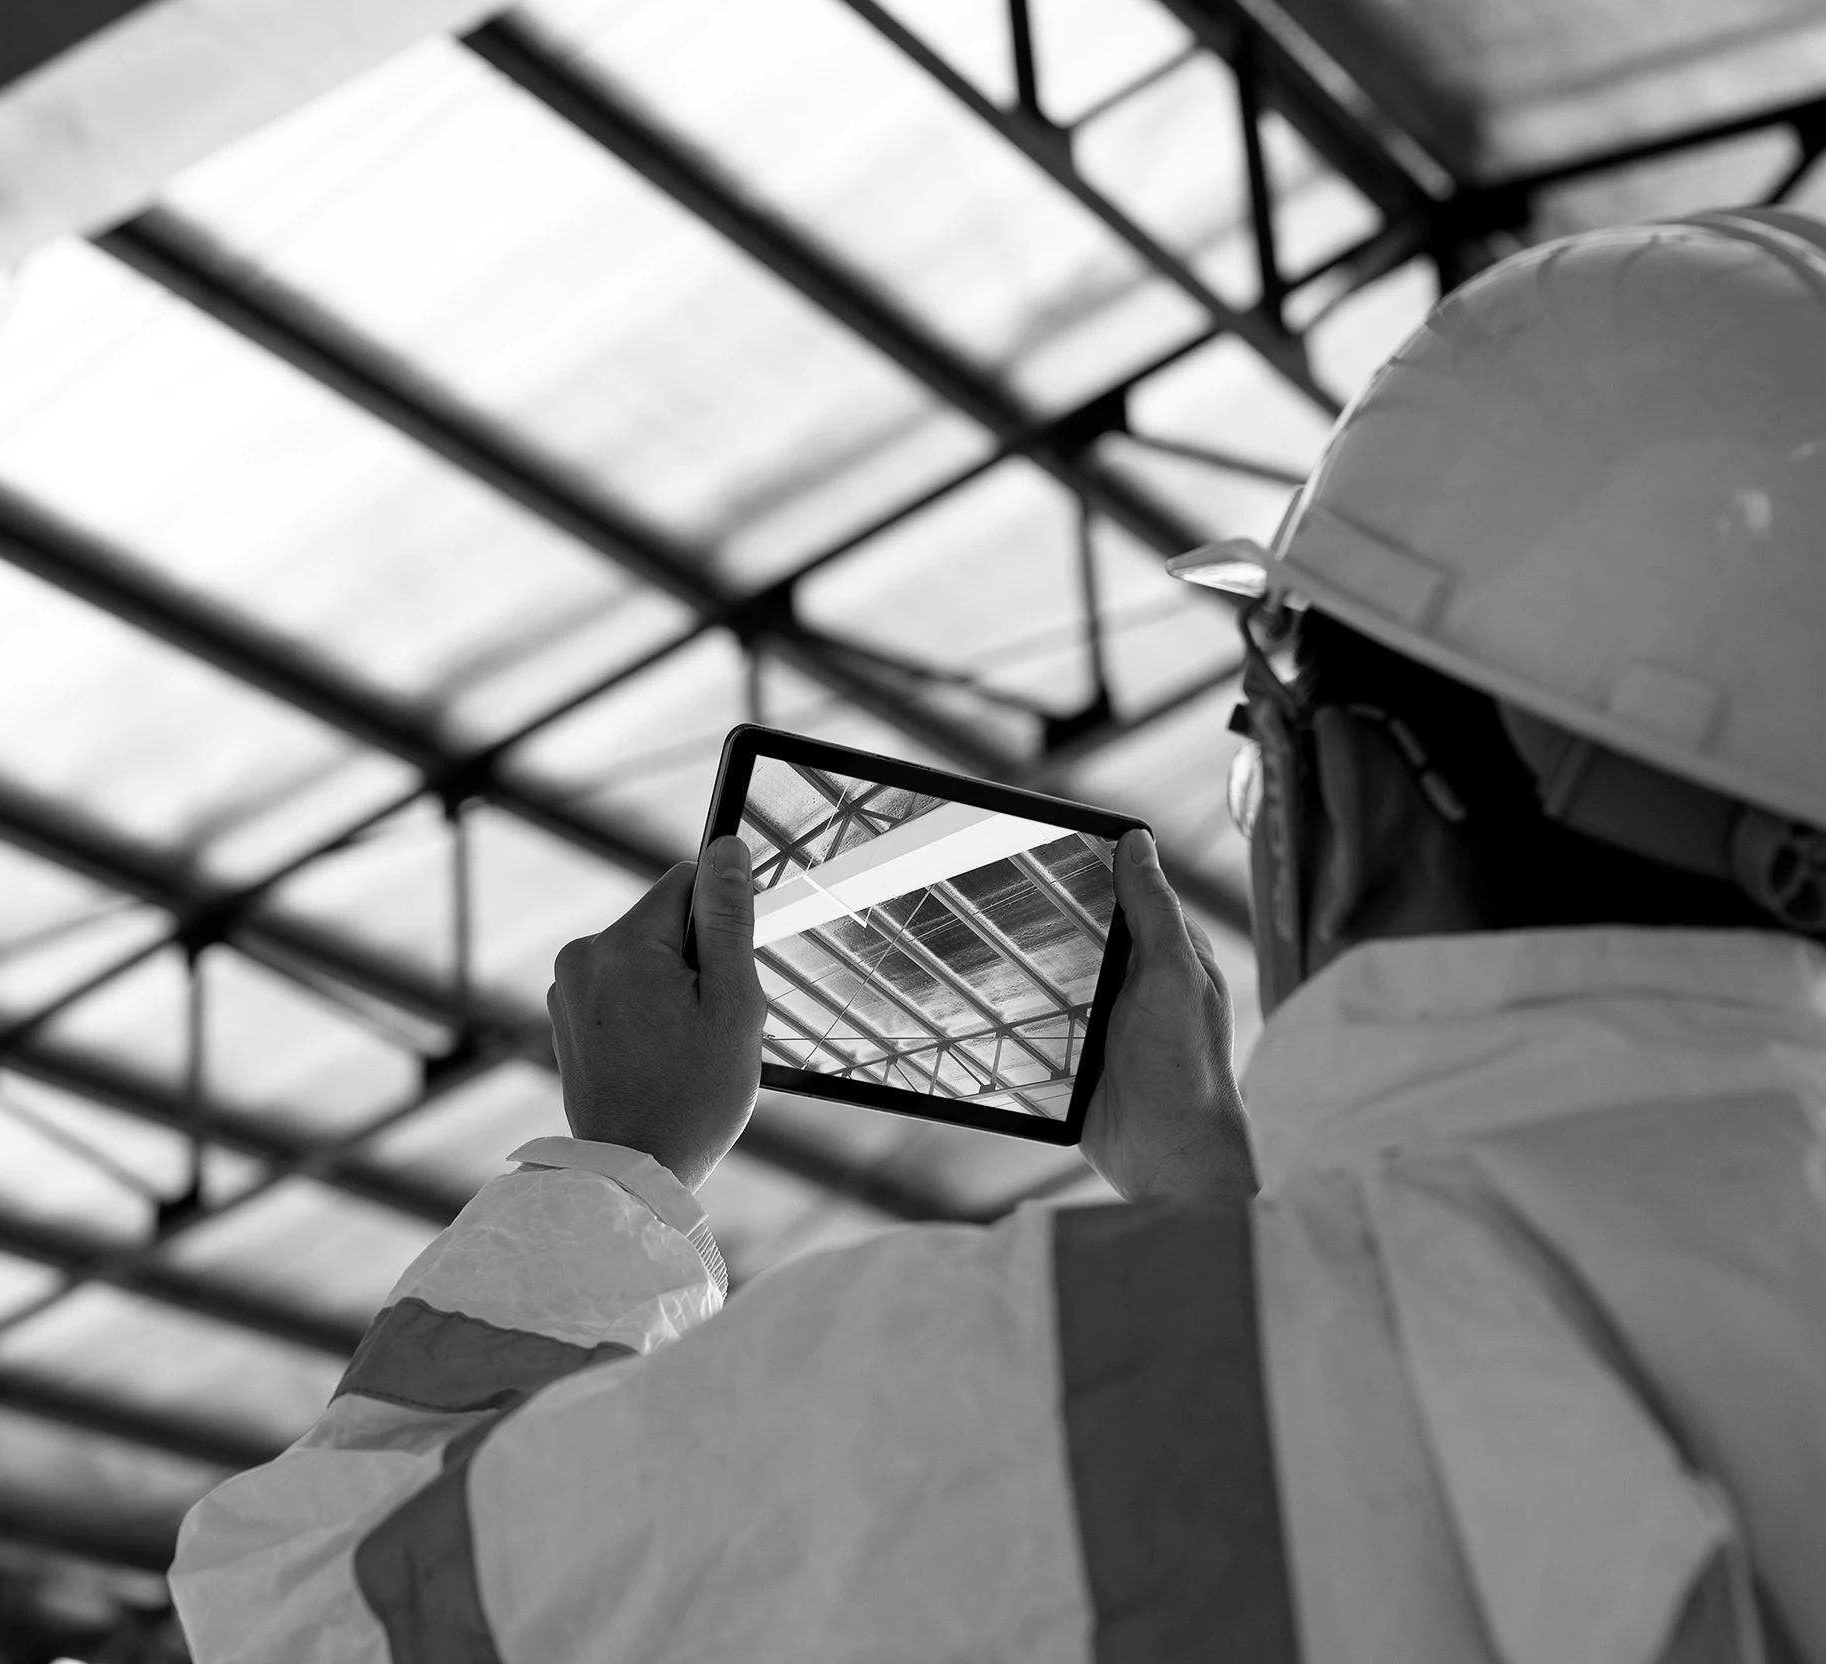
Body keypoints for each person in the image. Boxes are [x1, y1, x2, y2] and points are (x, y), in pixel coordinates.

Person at [170, 209, 1826, 1662]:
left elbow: (321, 1606)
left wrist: (617, 1174)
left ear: (1361, 778)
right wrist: (1214, 1206)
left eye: (1263, 724)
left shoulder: (1050, 1384)